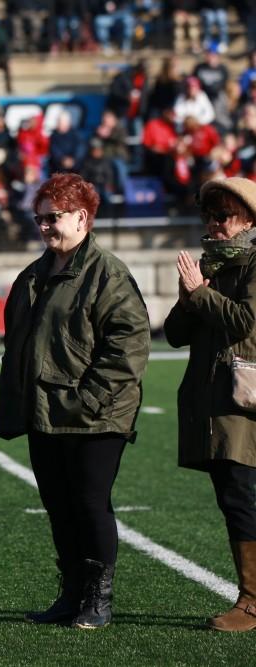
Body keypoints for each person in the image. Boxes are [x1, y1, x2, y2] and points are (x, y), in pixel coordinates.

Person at [0, 173, 150, 630]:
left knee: (89, 503)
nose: (43, 226)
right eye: (39, 218)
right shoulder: (33, 275)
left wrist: (90, 399)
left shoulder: (109, 274)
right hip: (45, 412)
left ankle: (97, 599)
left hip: (97, 416)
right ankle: (71, 593)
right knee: (58, 505)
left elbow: (129, 345)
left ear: (82, 217)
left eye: (53, 217)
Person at [163, 177, 256, 633]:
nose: (214, 225)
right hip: (215, 398)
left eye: (224, 216)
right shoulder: (212, 265)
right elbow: (176, 335)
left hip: (244, 402)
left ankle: (252, 603)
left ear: (249, 220)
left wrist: (200, 291)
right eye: (209, 216)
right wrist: (188, 298)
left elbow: (245, 321)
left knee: (243, 497)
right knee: (233, 496)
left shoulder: (253, 262)